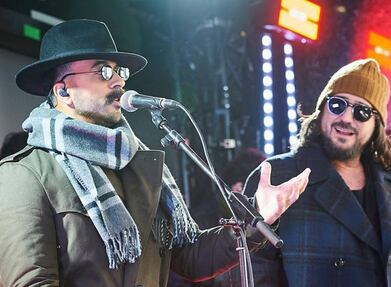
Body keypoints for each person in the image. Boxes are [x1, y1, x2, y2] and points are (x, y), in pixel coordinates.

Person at [0, 19, 310, 287]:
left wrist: (256, 217)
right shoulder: (23, 174)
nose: (119, 79)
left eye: (119, 70)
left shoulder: (140, 164)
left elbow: (189, 258)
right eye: (103, 71)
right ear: (63, 91)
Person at [244, 58, 391, 286]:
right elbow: (248, 271)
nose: (345, 118)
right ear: (322, 110)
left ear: (376, 125)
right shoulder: (277, 176)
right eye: (337, 105)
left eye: (361, 112)